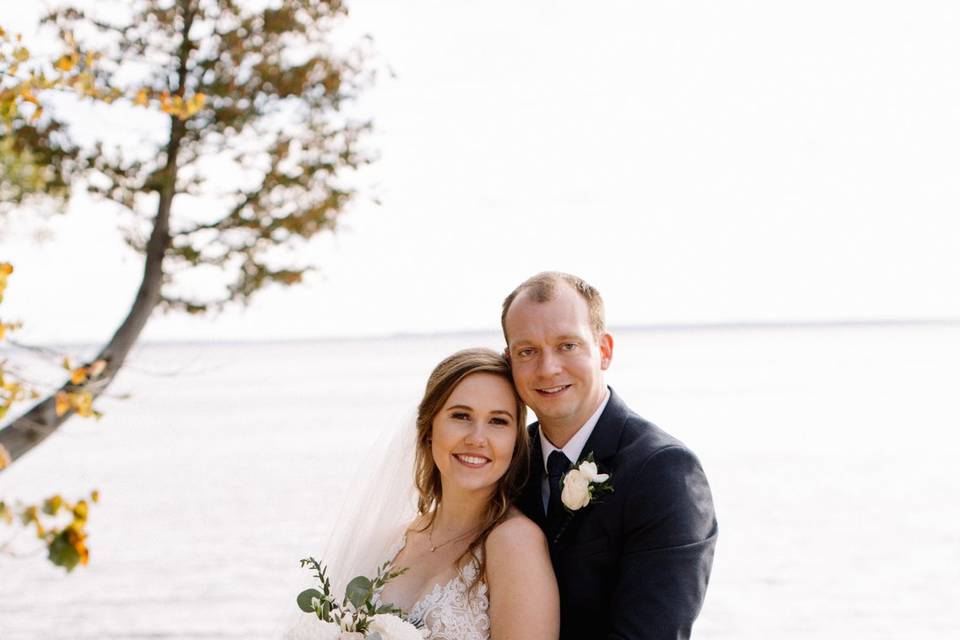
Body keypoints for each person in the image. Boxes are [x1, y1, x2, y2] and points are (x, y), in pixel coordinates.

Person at [502, 272, 718, 640]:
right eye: (528, 351)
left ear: (604, 350)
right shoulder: (504, 462)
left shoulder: (665, 472)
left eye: (567, 345)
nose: (548, 367)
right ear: (509, 361)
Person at [376, 348, 559, 640]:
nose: (476, 438)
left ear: (515, 441)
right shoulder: (394, 541)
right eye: (461, 416)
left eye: (498, 421)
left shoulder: (515, 542)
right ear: (429, 428)